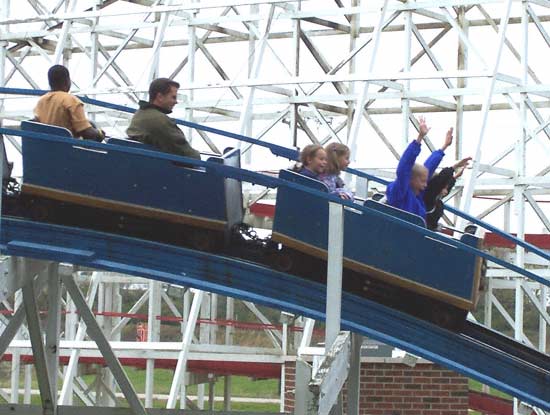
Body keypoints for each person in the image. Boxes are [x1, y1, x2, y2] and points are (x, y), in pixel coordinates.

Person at [386, 117, 453, 219]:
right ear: (411, 179)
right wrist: (419, 137)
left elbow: (428, 168)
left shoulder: (417, 195)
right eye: (422, 181)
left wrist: (444, 147)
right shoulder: (399, 192)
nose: (426, 184)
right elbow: (404, 166)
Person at [126, 78, 200, 159]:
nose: (176, 102)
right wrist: (197, 156)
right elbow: (185, 153)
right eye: (173, 97)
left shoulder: (140, 114)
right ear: (160, 97)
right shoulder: (158, 120)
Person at [33, 65, 104, 141]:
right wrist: (99, 133)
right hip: (67, 149)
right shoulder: (71, 101)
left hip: (46, 146)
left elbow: (36, 124)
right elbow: (86, 132)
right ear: (67, 81)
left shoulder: (41, 101)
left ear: (50, 82)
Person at [424, 157, 471, 231]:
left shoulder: (436, 200)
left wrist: (455, 177)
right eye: (443, 188)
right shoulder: (428, 197)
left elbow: (444, 185)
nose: (446, 191)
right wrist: (454, 167)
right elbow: (439, 182)